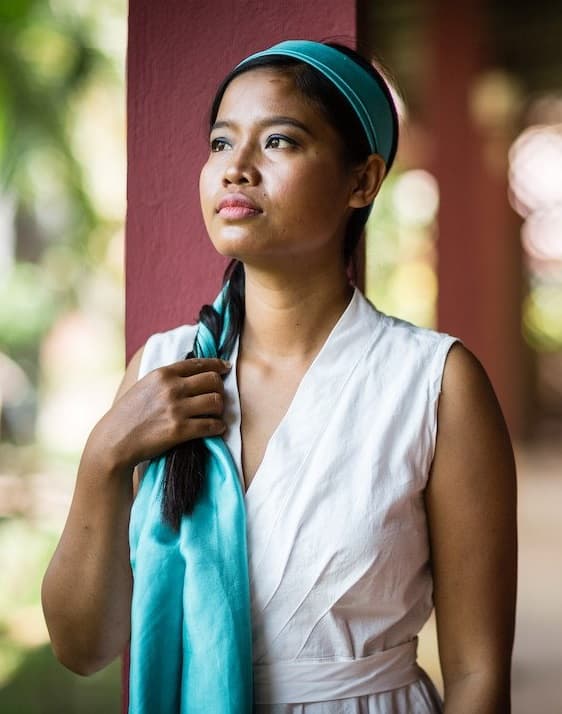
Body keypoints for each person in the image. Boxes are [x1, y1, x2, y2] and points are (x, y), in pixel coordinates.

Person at [42, 40, 517, 713]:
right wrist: (104, 458)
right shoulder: (162, 373)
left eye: (280, 143)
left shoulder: (434, 384)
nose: (235, 170)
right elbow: (82, 648)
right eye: (220, 143)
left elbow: (478, 676)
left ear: (363, 181)